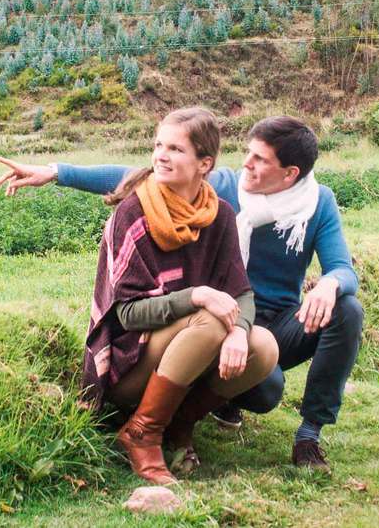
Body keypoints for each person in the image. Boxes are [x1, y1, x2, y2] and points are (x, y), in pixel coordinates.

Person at [0, 116, 360, 472]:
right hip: (204, 318)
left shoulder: (314, 204)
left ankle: (308, 434)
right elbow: (135, 175)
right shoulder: (223, 190)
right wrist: (56, 172)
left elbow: (341, 268)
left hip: (255, 318)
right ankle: (159, 425)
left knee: (345, 312)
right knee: (260, 381)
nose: (246, 163)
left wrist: (329, 283)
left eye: (260, 159)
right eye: (248, 152)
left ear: (290, 173)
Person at [80, 107, 279, 485]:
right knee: (209, 322)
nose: (161, 156)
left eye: (175, 149)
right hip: (129, 362)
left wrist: (240, 331)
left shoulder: (219, 216)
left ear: (205, 163)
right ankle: (142, 433)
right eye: (159, 145)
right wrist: (197, 295)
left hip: (189, 352)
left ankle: (179, 425)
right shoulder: (134, 212)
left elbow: (241, 292)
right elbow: (125, 314)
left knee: (264, 345)